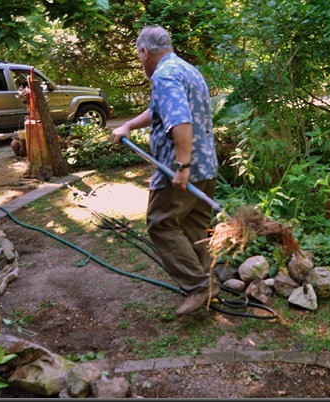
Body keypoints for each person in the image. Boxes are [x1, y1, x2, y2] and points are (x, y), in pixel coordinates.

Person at [110, 26, 219, 316]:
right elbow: (159, 109)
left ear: (145, 52)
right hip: (206, 166)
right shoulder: (186, 69)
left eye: (139, 55)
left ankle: (198, 286)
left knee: (161, 223)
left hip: (179, 170)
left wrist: (182, 166)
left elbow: (180, 120)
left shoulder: (164, 75)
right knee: (195, 227)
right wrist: (129, 125)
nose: (140, 61)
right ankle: (208, 284)